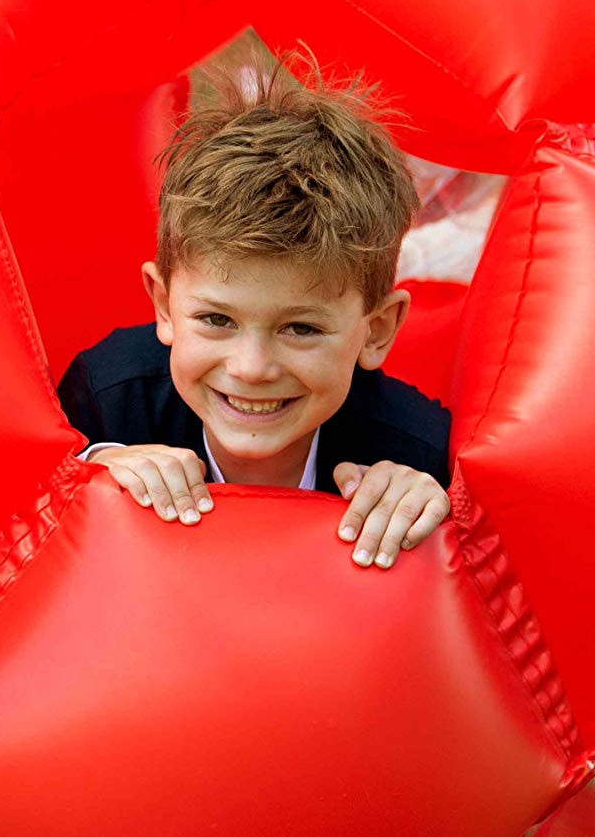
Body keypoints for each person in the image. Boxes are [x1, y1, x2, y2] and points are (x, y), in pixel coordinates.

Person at [56, 62, 453, 569]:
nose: (251, 368)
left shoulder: (413, 449)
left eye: (301, 328)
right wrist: (92, 467)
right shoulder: (109, 397)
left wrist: (428, 506)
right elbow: (26, 505)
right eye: (217, 320)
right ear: (164, 305)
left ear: (376, 330)